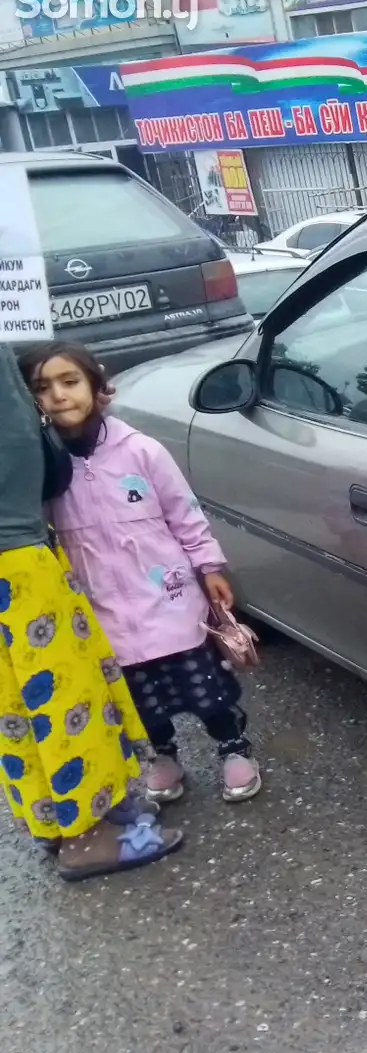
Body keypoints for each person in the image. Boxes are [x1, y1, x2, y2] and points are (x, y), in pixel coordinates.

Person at [25, 343, 262, 805]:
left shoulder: (141, 451)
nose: (58, 396)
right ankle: (162, 756)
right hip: (103, 611)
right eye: (43, 388)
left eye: (70, 382)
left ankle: (233, 746)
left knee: (205, 688)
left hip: (169, 602)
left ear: (97, 386)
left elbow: (184, 513)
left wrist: (208, 565)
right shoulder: (43, 466)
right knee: (138, 700)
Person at [0, 341, 182, 879]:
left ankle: (65, 820)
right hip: (16, 565)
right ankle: (85, 836)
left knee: (21, 705)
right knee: (59, 701)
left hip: (19, 558)